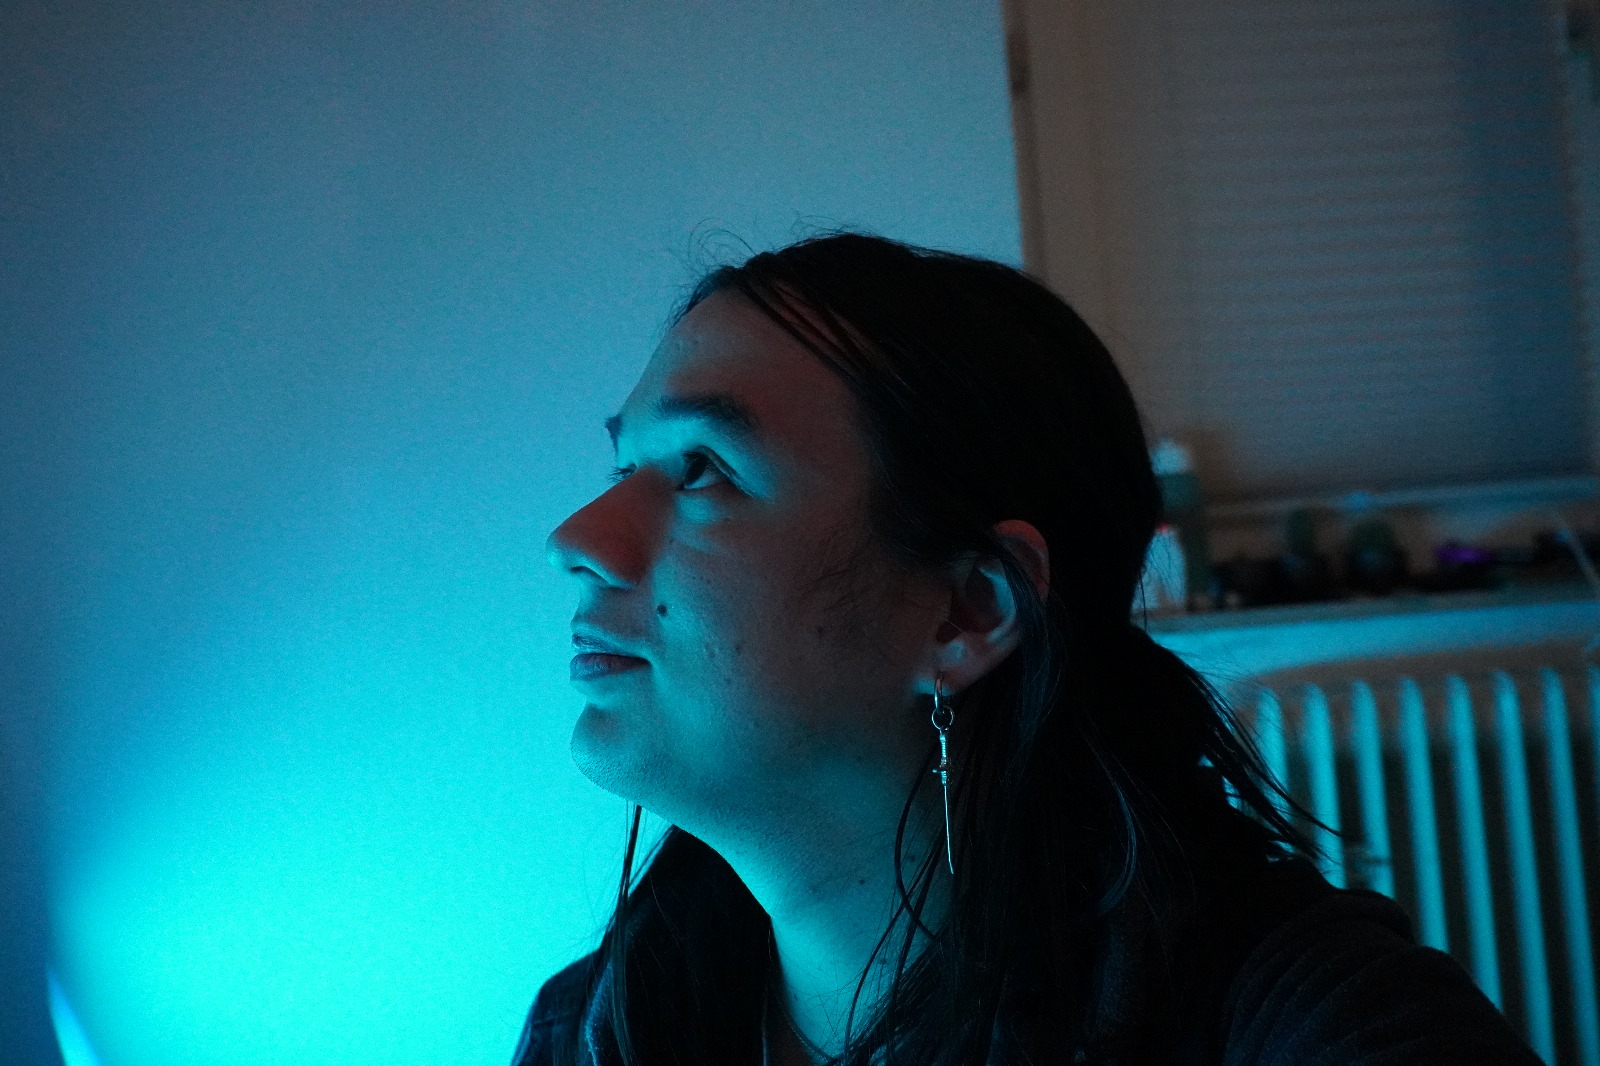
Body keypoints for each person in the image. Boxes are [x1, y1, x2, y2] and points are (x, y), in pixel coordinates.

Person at [524, 233, 1539, 1065]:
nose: (580, 537)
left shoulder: (1304, 1022)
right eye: (623, 468)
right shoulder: (595, 1031)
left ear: (966, 612)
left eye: (703, 469)